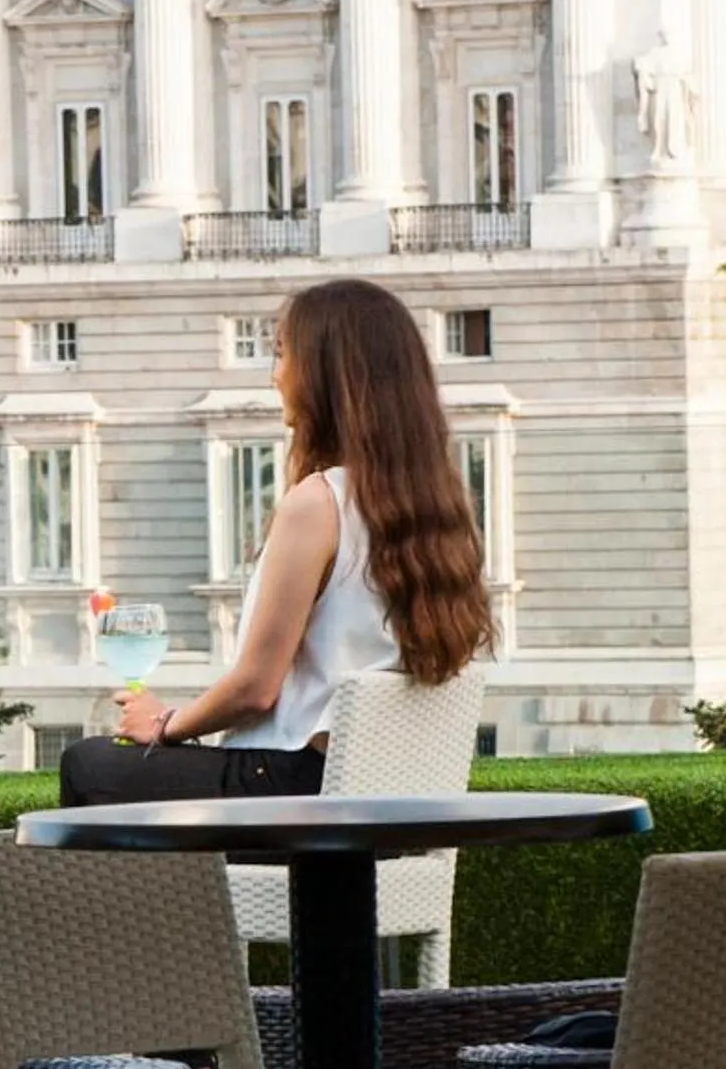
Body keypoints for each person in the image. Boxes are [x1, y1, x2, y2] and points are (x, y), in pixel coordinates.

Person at [58, 277, 492, 807]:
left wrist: (165, 723)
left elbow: (255, 688)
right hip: (388, 797)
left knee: (90, 764)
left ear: (328, 376)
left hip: (295, 789)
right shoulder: (437, 507)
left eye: (283, 355)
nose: (275, 376)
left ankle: (175, 896)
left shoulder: (318, 502)